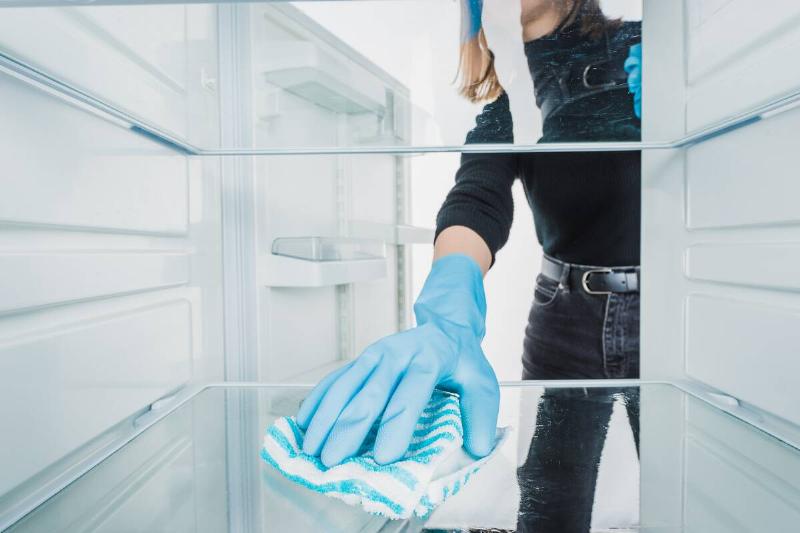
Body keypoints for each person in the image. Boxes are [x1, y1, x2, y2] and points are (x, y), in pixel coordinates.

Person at [295, 0, 643, 495]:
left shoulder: (644, 51)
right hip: (564, 318)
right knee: (549, 496)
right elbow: (477, 197)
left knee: (694, 486)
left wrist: (692, 94)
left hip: (673, 313)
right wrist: (449, 309)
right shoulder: (511, 106)